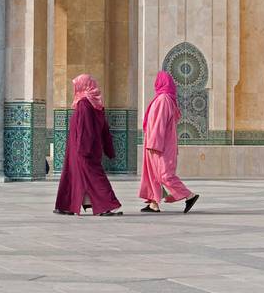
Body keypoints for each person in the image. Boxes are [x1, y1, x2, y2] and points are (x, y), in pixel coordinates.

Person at [54, 74, 123, 216]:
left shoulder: (84, 104)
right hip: (87, 147)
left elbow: (85, 129)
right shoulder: (96, 103)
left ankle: (107, 205)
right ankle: (66, 205)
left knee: (93, 175)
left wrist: (82, 150)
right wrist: (108, 148)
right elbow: (105, 129)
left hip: (82, 148)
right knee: (73, 175)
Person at [139, 71, 199, 214]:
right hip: (157, 142)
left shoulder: (164, 99)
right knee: (153, 174)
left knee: (164, 174)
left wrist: (154, 143)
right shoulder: (163, 98)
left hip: (159, 144)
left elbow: (159, 123)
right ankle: (154, 204)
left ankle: (189, 195)